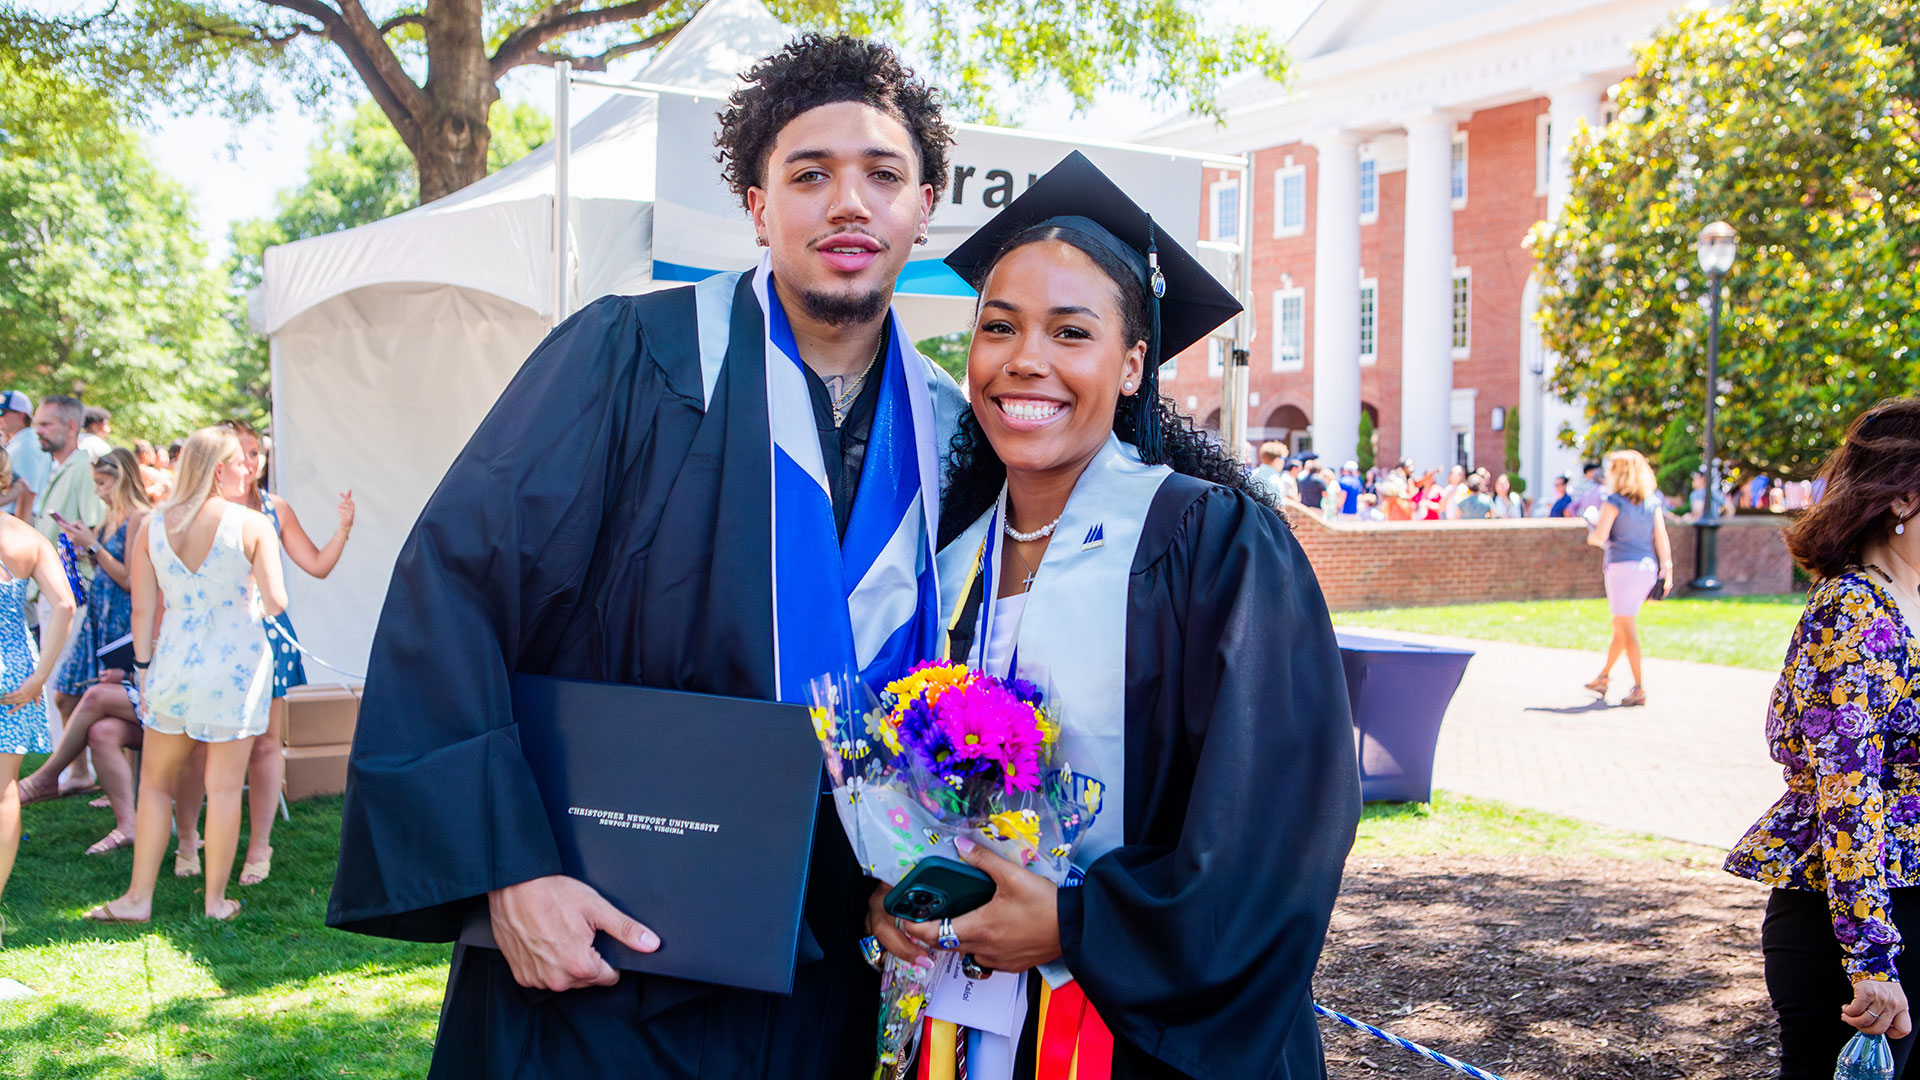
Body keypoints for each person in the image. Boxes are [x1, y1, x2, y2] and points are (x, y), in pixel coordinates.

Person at [328, 35, 966, 1078]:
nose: (848, 204)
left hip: (821, 966)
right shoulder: (632, 356)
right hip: (603, 951)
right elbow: (454, 589)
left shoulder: (944, 430)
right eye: (809, 175)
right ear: (757, 207)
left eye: (882, 176)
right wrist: (509, 870)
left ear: (923, 206)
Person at [884, 152, 1359, 1079]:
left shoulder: (1214, 545)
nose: (1026, 360)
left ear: (1134, 364)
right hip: (960, 1022)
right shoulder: (939, 561)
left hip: (1140, 1042)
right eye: (999, 327)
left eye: (1072, 332)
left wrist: (1071, 925)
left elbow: (1275, 842)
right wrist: (891, 891)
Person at [1724, 397, 1920, 1079]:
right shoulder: (1856, 612)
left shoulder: (1912, 602)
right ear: (1903, 495)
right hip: (1864, 926)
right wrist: (1870, 961)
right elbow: (1850, 793)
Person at [86, 426, 286, 923]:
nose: (248, 469)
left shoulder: (153, 524)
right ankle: (215, 902)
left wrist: (144, 670)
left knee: (154, 784)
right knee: (222, 788)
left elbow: (142, 610)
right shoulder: (251, 523)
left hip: (171, 663)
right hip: (235, 666)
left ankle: (137, 898)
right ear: (220, 469)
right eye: (241, 461)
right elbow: (277, 602)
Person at [221, 418, 355, 886]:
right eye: (242, 453)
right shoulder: (199, 510)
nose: (251, 461)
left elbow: (316, 565)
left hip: (266, 634)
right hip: (212, 639)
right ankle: (188, 844)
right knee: (202, 748)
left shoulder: (273, 508)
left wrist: (343, 529)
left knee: (264, 742)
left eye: (255, 451)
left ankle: (259, 846)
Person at [0, 445, 76, 945]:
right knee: (5, 792)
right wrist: (40, 676)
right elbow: (65, 603)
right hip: (13, 670)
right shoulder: (25, 538)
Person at [32, 394, 104, 792]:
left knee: (64, 685)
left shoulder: (80, 470)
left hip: (71, 594)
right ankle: (74, 772)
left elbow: (93, 529)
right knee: (59, 685)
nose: (37, 431)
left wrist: (83, 545)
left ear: (71, 428)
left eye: (45, 425)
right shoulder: (58, 467)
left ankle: (71, 772)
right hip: (52, 592)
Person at [1582, 450, 1672, 707]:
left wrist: (1591, 526)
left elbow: (1599, 537)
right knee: (1621, 626)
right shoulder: (1651, 501)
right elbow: (1661, 536)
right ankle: (1603, 676)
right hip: (1647, 567)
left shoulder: (1614, 501)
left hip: (1622, 568)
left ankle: (1638, 688)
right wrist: (1667, 567)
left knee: (1626, 627)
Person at [0, 391, 50, 524]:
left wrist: (19, 532)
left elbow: (27, 492)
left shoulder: (25, 446)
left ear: (21, 415)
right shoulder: (20, 441)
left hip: (18, 520)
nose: (0, 417)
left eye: (2, 412)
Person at [132, 439, 172, 504]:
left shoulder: (140, 468)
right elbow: (143, 492)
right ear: (144, 454)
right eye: (152, 453)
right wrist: (161, 484)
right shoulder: (143, 470)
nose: (154, 456)